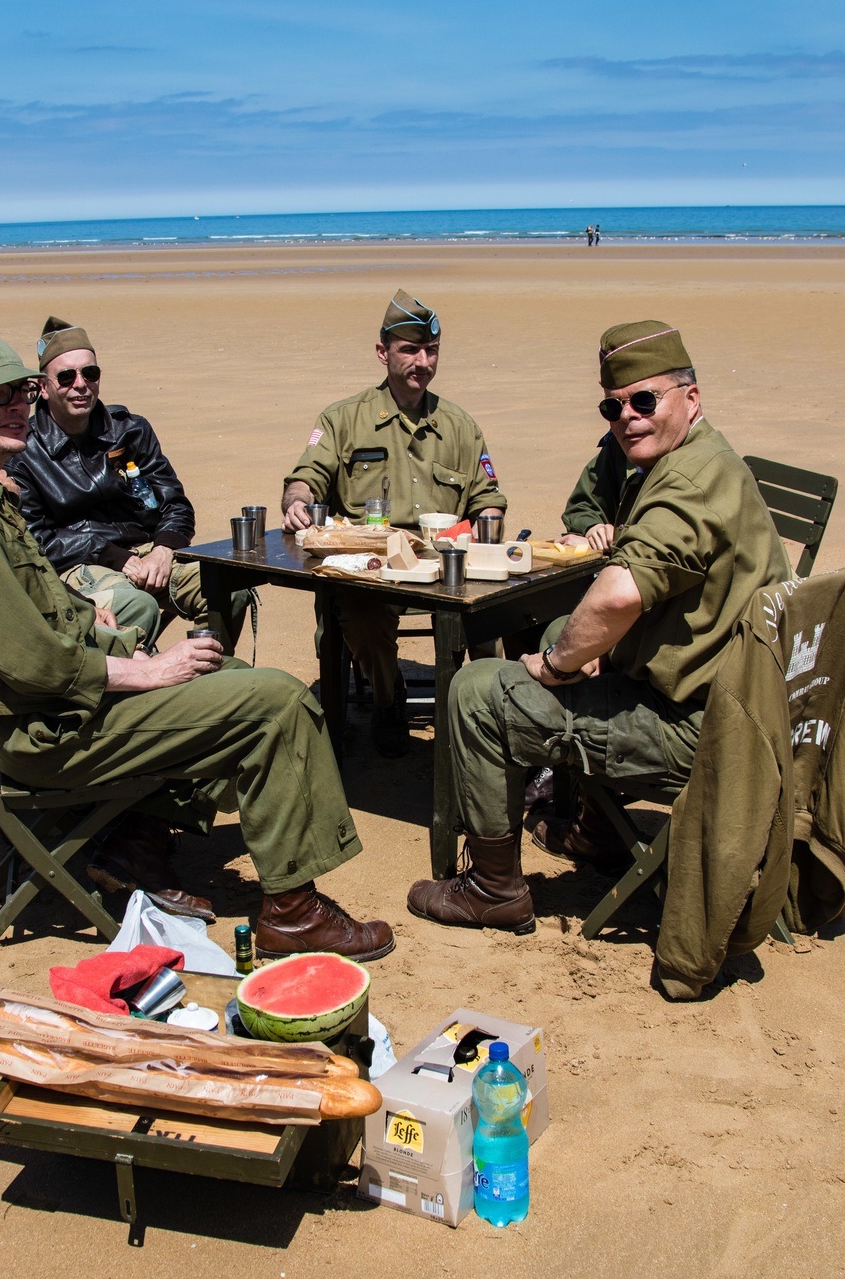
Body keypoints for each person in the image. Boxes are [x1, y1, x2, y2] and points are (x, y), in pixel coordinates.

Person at [0, 335, 394, 962]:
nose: (14, 406)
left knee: (228, 670)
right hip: (45, 732)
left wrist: (108, 636)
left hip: (54, 710)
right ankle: (293, 912)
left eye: (19, 392)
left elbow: (41, 612)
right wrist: (145, 670)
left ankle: (140, 837)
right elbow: (29, 663)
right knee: (278, 701)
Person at [405, 319, 789, 998]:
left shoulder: (687, 482)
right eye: (614, 407)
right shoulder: (709, 459)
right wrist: (576, 647)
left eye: (646, 401)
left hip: (701, 734)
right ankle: (596, 830)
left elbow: (616, 596)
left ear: (691, 399)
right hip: (739, 705)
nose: (627, 419)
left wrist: (553, 665)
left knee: (472, 689)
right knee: (559, 629)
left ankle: (494, 887)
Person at [281, 289, 507, 756]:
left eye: (431, 351)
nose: (422, 361)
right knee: (359, 617)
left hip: (444, 568)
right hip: (373, 569)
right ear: (383, 353)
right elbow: (306, 478)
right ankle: (389, 701)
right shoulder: (343, 420)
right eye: (409, 349)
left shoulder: (461, 427)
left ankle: (483, 717)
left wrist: (488, 519)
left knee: (497, 613)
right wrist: (297, 500)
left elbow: (488, 498)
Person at [7, 316, 251, 653]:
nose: (80, 384)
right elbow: (36, 540)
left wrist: (164, 551)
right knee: (133, 604)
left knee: (231, 588)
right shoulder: (24, 451)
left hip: (149, 553)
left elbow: (175, 505)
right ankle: (147, 688)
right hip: (81, 566)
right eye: (66, 377)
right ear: (43, 387)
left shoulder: (129, 430)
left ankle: (209, 679)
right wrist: (115, 557)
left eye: (89, 373)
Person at [559, 430, 636, 553]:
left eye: (646, 409)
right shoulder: (621, 443)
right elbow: (583, 505)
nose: (627, 415)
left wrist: (616, 539)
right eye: (613, 411)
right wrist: (593, 528)